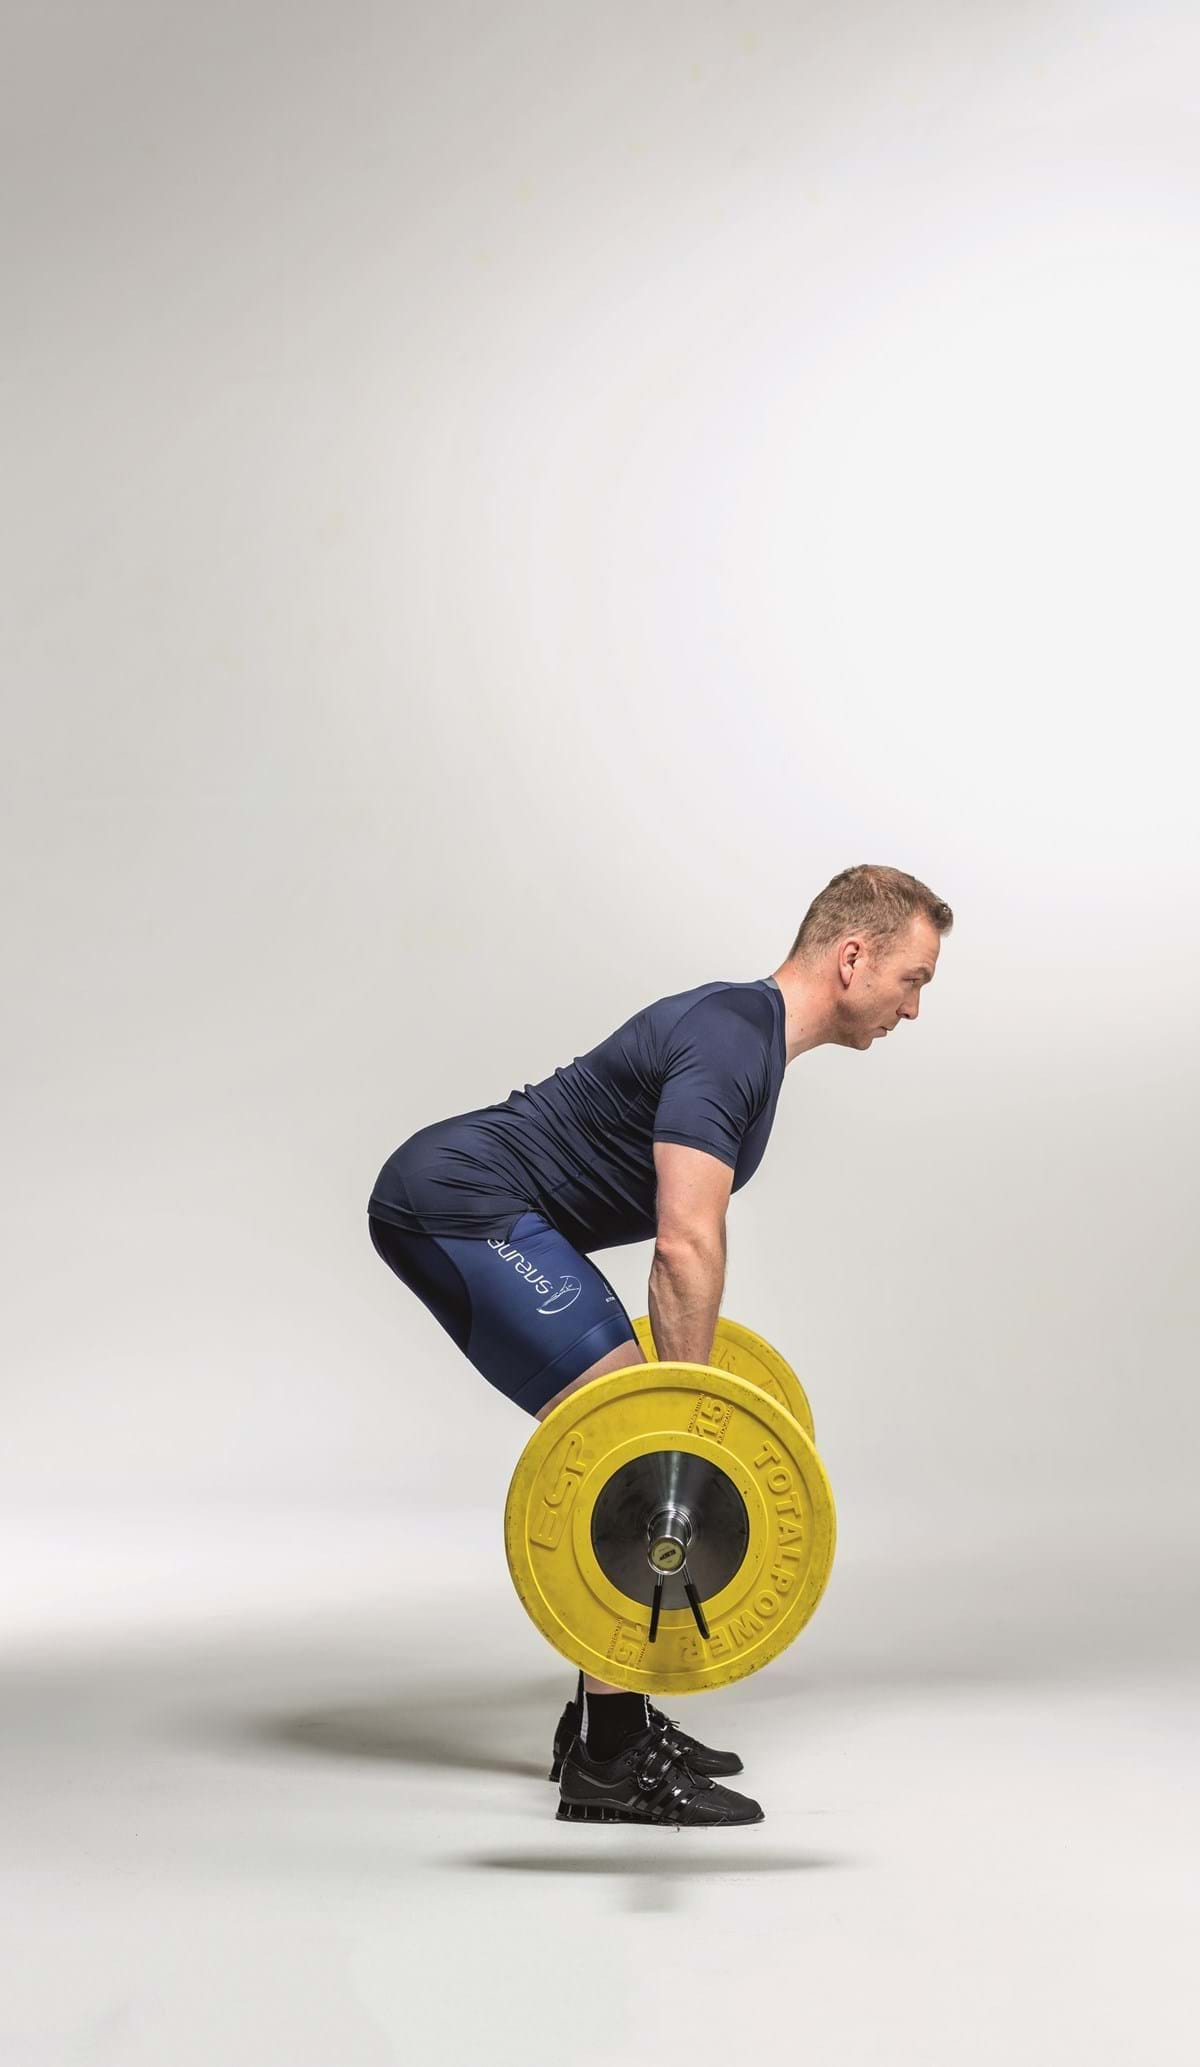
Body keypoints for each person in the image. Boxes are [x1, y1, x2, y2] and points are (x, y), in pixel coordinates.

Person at [367, 864, 952, 1826]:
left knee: (627, 1439)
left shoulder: (747, 1042)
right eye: (914, 979)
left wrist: (679, 1416)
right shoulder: (731, 1038)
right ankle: (609, 1759)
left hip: (478, 1205)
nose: (913, 1007)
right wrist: (683, 1433)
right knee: (627, 1451)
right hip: (460, 1200)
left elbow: (682, 1250)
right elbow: (684, 1245)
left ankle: (607, 1721)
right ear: (854, 957)